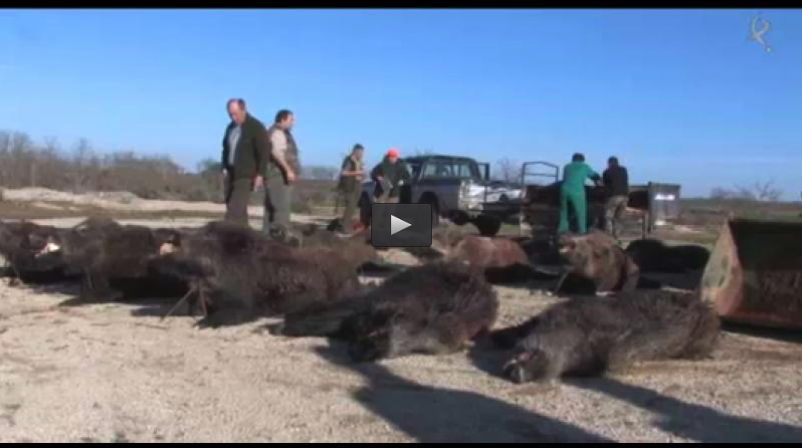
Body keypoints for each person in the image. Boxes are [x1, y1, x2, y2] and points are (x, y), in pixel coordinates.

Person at [221, 98, 269, 227]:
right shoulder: (230, 128)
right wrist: (224, 167)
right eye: (230, 114)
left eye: (235, 113)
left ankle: (224, 239)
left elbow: (264, 152)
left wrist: (260, 174)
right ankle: (244, 240)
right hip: (230, 173)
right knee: (239, 213)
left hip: (246, 175)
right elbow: (225, 149)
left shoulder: (255, 126)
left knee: (234, 211)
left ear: (244, 109)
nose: (233, 117)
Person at [264, 109, 301, 242]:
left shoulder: (278, 132)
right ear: (283, 119)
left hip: (275, 174)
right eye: (291, 120)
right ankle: (279, 244)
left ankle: (267, 241)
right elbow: (277, 152)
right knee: (281, 210)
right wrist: (288, 170)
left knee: (271, 211)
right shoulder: (278, 132)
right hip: (278, 175)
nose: (293, 122)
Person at [559, 153, 601, 235]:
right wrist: (598, 179)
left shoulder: (567, 166)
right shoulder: (584, 166)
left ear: (573, 159)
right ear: (582, 160)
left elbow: (565, 178)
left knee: (564, 211)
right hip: (577, 191)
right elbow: (594, 176)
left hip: (564, 190)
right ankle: (582, 231)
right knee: (581, 212)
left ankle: (562, 230)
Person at [337, 144, 366, 234]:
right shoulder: (349, 160)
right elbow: (344, 173)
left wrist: (363, 175)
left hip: (357, 185)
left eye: (362, 152)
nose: (362, 154)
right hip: (349, 186)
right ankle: (345, 228)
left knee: (353, 208)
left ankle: (347, 225)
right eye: (360, 152)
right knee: (349, 207)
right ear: (355, 151)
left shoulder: (359, 161)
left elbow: (361, 173)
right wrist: (357, 172)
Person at [602, 156, 630, 239]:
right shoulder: (624, 170)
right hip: (625, 196)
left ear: (609, 163)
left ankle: (609, 236)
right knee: (619, 218)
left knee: (608, 217)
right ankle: (617, 236)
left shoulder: (607, 172)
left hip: (613, 196)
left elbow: (605, 184)